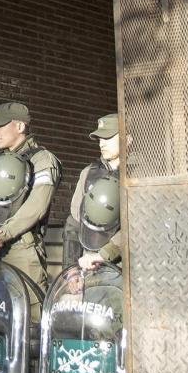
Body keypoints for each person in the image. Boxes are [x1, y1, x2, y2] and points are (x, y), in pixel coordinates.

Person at [0, 101, 61, 294]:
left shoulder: (42, 160)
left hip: (22, 251)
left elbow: (37, 206)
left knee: (28, 317)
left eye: (0, 125)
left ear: (20, 126)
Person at [65, 112, 123, 272]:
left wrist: (105, 254)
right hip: (90, 266)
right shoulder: (88, 173)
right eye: (100, 139)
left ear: (128, 137)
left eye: (108, 137)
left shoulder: (141, 175)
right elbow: (74, 223)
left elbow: (140, 224)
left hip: (129, 268)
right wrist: (71, 270)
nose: (101, 143)